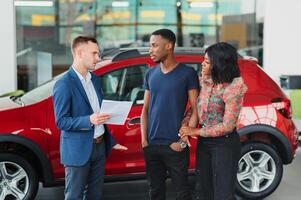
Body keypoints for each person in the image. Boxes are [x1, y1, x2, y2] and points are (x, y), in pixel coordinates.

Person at [53, 36, 127, 200]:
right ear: (79, 53)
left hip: (99, 147)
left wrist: (111, 141)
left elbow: (97, 113)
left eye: (98, 54)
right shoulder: (64, 84)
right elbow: (61, 121)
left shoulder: (94, 79)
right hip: (78, 151)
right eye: (94, 53)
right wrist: (89, 120)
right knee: (74, 196)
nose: (98, 58)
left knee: (95, 195)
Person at [180, 42, 248, 200]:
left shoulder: (234, 87)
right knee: (203, 190)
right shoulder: (205, 81)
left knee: (222, 194)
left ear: (219, 64)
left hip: (225, 144)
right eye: (203, 60)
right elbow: (195, 107)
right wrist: (185, 124)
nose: (202, 64)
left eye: (207, 62)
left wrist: (195, 131)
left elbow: (228, 126)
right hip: (205, 142)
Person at [141, 28, 199, 200]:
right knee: (155, 192)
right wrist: (145, 142)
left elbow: (196, 109)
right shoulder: (150, 73)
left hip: (175, 146)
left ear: (169, 46)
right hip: (152, 146)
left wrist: (182, 142)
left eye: (154, 45)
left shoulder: (187, 73)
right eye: (150, 46)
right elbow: (145, 109)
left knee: (182, 193)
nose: (150, 50)